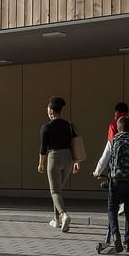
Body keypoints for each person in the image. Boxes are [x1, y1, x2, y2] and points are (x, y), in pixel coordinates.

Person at [94, 116, 129, 254]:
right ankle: (128, 243)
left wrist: (96, 172)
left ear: (118, 128)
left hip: (116, 179)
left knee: (112, 208)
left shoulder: (114, 141)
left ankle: (116, 234)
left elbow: (104, 159)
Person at [37, 96, 81, 232]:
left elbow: (43, 149)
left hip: (54, 157)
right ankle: (56, 220)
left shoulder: (46, 127)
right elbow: (75, 144)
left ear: (51, 110)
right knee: (58, 191)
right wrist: (76, 162)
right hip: (68, 157)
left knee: (54, 191)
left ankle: (63, 215)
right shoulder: (69, 125)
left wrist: (41, 164)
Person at [104, 101, 129, 217]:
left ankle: (121, 203)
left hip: (117, 161)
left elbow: (110, 143)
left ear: (116, 112)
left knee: (116, 182)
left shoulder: (114, 124)